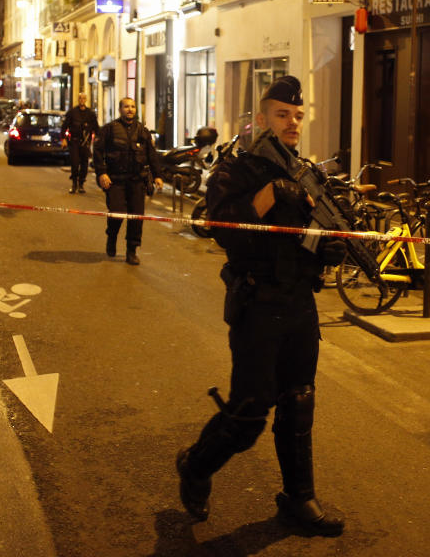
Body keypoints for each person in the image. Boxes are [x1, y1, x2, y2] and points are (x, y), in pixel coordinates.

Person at [175, 75, 346, 537]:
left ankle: (299, 498)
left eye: (297, 115)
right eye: (281, 115)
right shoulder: (237, 170)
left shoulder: (304, 169)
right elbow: (220, 228)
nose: (292, 123)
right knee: (250, 412)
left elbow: (306, 237)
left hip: (299, 304)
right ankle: (195, 465)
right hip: (257, 304)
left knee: (299, 402)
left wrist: (326, 249)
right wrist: (270, 195)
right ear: (260, 118)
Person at [92, 97, 163, 265]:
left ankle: (132, 250)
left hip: (137, 181)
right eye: (126, 106)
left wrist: (158, 175)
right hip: (115, 180)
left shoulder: (143, 131)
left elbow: (151, 155)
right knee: (117, 213)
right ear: (120, 109)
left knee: (136, 217)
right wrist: (102, 173)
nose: (129, 109)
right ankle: (112, 236)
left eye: (132, 106)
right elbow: (98, 153)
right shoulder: (109, 129)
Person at [61, 92, 98, 193]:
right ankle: (74, 184)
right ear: (78, 99)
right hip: (74, 142)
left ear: (86, 100)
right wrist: (63, 139)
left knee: (84, 164)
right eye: (80, 98)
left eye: (84, 98)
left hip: (85, 143)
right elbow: (64, 126)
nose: (82, 100)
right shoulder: (72, 112)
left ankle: (81, 183)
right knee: (74, 163)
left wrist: (97, 140)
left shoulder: (90, 114)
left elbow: (96, 128)